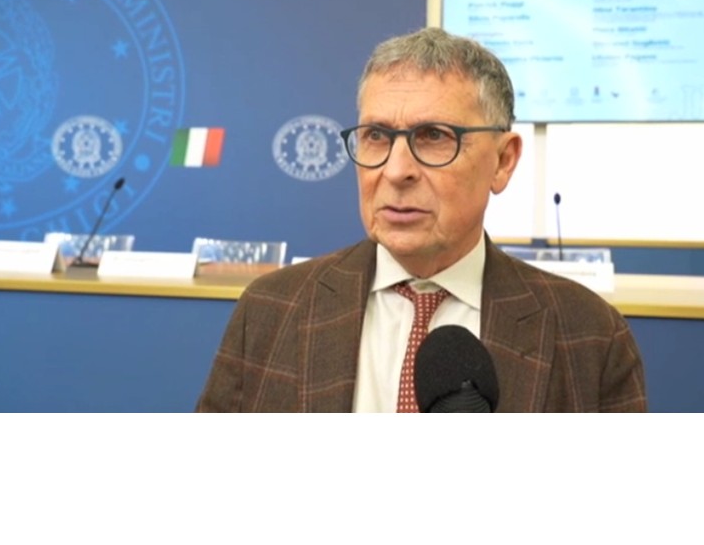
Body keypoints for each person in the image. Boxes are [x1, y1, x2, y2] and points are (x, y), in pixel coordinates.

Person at [195, 27, 646, 412]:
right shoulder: (270, 311)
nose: (396, 171)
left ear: (503, 161)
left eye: (433, 136)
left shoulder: (590, 336)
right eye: (376, 135)